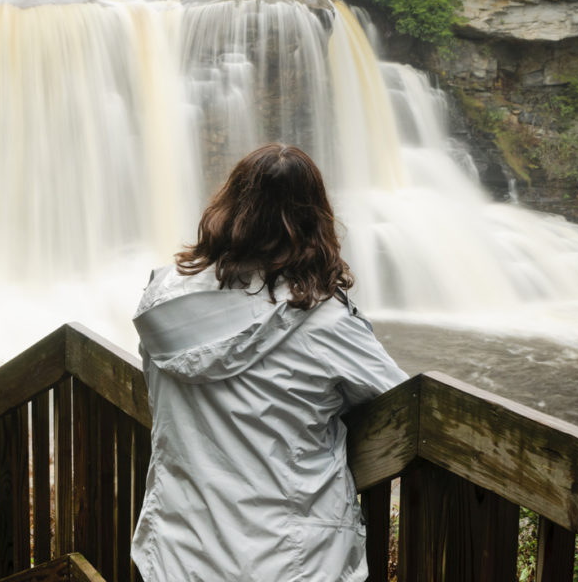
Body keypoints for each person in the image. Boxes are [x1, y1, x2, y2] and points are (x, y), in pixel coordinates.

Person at [131, 143, 408, 582]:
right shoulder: (326, 324)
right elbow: (405, 407)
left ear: (229, 206)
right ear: (316, 219)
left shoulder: (162, 299)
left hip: (180, 553)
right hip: (291, 561)